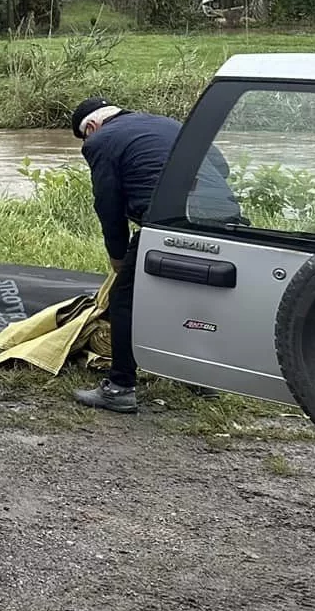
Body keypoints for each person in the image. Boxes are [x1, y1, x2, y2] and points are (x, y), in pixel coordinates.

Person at [68, 97, 238, 414]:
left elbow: (108, 207)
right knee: (192, 298)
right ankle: (200, 377)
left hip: (169, 223)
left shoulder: (101, 141)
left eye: (85, 136)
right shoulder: (170, 124)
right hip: (226, 218)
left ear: (90, 127)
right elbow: (222, 168)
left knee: (124, 300)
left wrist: (117, 257)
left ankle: (119, 388)